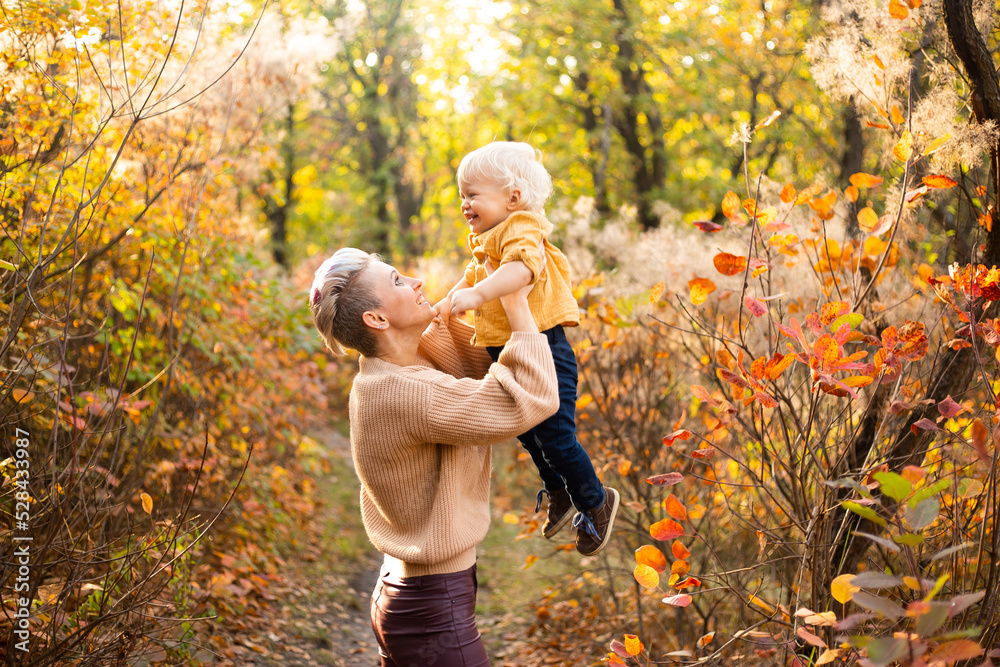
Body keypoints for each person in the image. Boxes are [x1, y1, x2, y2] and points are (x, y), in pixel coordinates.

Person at [309, 247, 560, 667]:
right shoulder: (406, 393)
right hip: (430, 609)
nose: (416, 282)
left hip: (410, 595)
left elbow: (464, 356)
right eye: (396, 281)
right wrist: (515, 301)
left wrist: (490, 263)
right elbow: (529, 398)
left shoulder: (384, 371)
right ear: (377, 319)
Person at [438, 141, 619, 557]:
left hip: (546, 349)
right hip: (513, 351)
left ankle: (595, 500)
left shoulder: (522, 228)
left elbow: (520, 271)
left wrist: (478, 296)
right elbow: (469, 278)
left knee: (555, 436)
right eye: (461, 195)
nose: (464, 203)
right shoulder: (487, 236)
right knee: (524, 428)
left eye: (472, 194)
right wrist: (446, 303)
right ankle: (559, 491)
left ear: (513, 198)